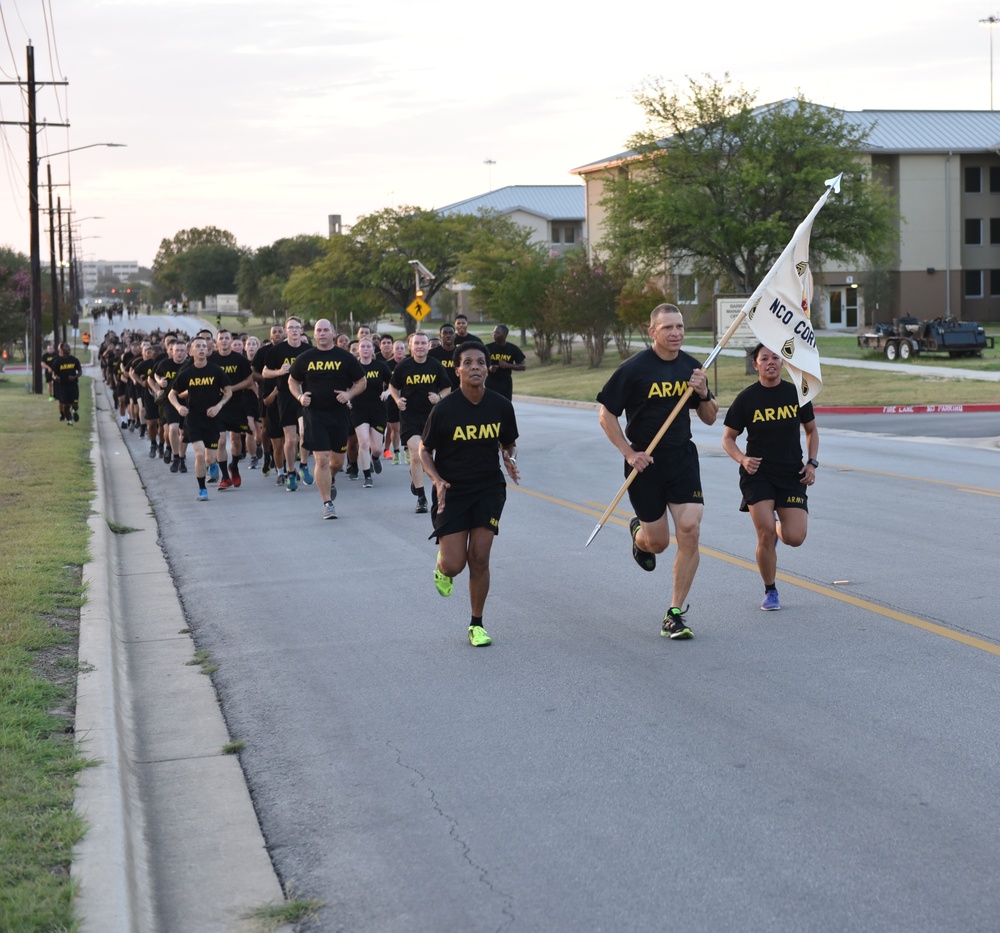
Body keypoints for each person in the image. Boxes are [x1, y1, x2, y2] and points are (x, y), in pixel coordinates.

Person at [597, 303, 718, 639]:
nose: (676, 333)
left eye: (679, 326)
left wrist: (704, 392)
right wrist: (629, 452)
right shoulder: (634, 369)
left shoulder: (693, 368)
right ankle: (639, 534)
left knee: (690, 529)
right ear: (652, 331)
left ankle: (674, 612)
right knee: (659, 543)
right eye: (667, 327)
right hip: (645, 464)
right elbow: (606, 415)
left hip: (681, 460)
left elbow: (710, 417)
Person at [419, 341, 520, 647]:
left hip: (489, 488)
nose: (475, 367)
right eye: (468, 363)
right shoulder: (444, 410)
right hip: (452, 490)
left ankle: (476, 623)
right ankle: (442, 566)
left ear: (487, 369)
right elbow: (425, 451)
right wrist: (436, 479)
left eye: (480, 362)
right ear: (457, 369)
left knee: (479, 557)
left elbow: (508, 442)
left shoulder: (501, 405)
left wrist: (509, 458)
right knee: (454, 564)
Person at [721, 343, 820, 611]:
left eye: (775, 357)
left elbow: (811, 430)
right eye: (764, 358)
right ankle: (770, 590)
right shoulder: (747, 399)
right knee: (764, 534)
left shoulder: (796, 394)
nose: (770, 362)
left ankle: (780, 528)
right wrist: (742, 459)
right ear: (756, 365)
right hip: (758, 474)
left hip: (791, 474)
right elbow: (728, 438)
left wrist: (811, 464)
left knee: (795, 537)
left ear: (782, 362)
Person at [287, 319, 366, 520]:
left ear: (333, 333)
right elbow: (293, 381)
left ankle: (329, 479)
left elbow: (361, 381)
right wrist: (300, 397)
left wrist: (348, 395)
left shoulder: (345, 357)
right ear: (314, 334)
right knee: (321, 458)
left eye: (326, 330)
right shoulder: (305, 358)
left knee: (337, 461)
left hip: (339, 414)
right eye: (318, 330)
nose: (322, 334)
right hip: (315, 413)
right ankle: (327, 503)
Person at [389, 331, 452, 513]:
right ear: (411, 346)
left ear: (428, 346)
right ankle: (422, 498)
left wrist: (439, 397)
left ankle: (415, 479)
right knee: (417, 454)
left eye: (423, 343)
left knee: (428, 456)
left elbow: (447, 387)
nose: (420, 346)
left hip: (431, 417)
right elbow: (393, 385)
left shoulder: (435, 365)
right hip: (409, 417)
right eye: (416, 343)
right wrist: (397, 399)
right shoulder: (403, 366)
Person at [168, 337, 233, 501]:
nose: (202, 349)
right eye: (198, 346)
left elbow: (228, 392)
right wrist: (178, 407)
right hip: (194, 420)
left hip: (212, 419)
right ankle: (202, 489)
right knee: (198, 455)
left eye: (204, 346)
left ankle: (213, 464)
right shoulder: (187, 373)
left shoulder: (216, 371)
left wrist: (219, 406)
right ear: (191, 351)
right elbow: (172, 394)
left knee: (210, 457)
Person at [260, 318, 313, 492]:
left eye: (298, 328)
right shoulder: (277, 350)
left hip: (304, 395)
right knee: (290, 439)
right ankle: (290, 472)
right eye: (291, 328)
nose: (295, 331)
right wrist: (280, 371)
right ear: (286, 331)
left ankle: (304, 464)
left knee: (304, 433)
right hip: (285, 396)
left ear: (302, 330)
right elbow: (265, 372)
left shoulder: (308, 350)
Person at [350, 338, 392, 487]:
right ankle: (367, 476)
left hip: (377, 409)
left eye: (369, 346)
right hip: (358, 409)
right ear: (358, 350)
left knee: (376, 448)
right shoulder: (353, 367)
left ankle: (375, 458)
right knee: (363, 442)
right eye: (363, 346)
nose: (366, 349)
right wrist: (348, 397)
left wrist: (387, 392)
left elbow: (393, 384)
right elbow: (346, 385)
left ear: (373, 350)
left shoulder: (380, 366)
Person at [484, 324, 527, 400]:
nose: (494, 335)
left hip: (505, 384)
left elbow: (523, 366)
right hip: (491, 382)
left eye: (497, 333)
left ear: (504, 335)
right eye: (494, 332)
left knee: (505, 407)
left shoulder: (512, 349)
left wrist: (508, 365)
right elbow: (478, 364)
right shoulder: (487, 348)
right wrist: (489, 368)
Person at [51, 343, 83, 425]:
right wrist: (55, 378)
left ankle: (75, 411)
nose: (69, 348)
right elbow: (53, 374)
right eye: (66, 347)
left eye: (69, 347)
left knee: (75, 404)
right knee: (66, 406)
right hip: (63, 386)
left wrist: (75, 377)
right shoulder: (57, 361)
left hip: (73, 386)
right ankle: (69, 420)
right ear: (61, 349)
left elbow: (80, 371)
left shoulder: (74, 360)